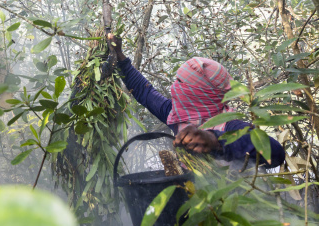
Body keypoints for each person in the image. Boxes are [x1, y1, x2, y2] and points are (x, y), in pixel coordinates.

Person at [107, 34, 285, 168]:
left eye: (181, 83)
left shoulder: (230, 126)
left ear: (199, 94)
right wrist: (121, 58)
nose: (175, 87)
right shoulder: (176, 115)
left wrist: (216, 142)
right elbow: (144, 92)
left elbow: (276, 153)